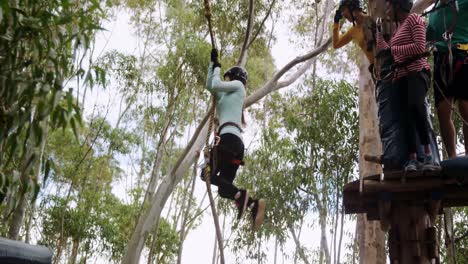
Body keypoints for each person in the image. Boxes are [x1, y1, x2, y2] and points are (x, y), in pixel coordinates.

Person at [203, 48, 266, 230]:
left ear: (235, 77)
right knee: (224, 189)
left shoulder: (238, 87)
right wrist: (212, 64)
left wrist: (217, 68)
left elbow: (215, 84)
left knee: (206, 174)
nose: (227, 81)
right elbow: (210, 85)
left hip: (229, 139)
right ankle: (252, 204)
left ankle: (243, 195)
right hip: (232, 142)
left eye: (228, 78)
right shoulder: (225, 97)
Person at [376, 0, 440, 171]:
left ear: (399, 6)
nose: (387, 9)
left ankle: (428, 156)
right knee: (405, 116)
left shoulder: (414, 20)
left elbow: (419, 47)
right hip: (402, 76)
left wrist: (394, 50)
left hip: (417, 72)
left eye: (390, 6)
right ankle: (412, 158)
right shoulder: (397, 29)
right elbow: (387, 49)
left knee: (417, 108)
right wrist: (379, 34)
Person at [427, 0, 468, 158]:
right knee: (443, 110)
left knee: (465, 107)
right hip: (441, 61)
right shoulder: (433, 12)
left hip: (462, 56)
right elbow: (428, 36)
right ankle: (452, 157)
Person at [333, 0, 375, 66]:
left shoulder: (373, 18)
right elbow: (336, 44)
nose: (342, 14)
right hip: (378, 70)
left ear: (352, 7)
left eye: (344, 9)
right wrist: (336, 22)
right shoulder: (353, 30)